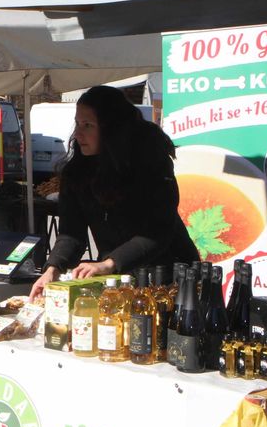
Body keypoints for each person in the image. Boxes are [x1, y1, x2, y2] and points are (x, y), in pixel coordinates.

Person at [29, 85, 198, 301]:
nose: (78, 133)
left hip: (170, 278)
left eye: (88, 125)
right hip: (119, 280)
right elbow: (71, 234)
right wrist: (53, 268)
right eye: (78, 123)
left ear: (112, 128)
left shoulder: (151, 164)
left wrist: (109, 263)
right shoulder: (77, 171)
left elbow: (158, 231)